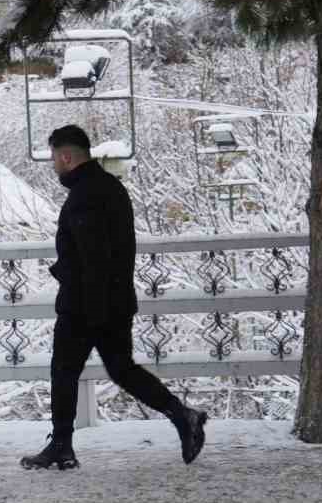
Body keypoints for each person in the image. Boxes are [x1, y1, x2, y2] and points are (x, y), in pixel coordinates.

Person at [21, 124, 207, 470]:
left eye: (54, 160)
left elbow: (91, 255)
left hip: (86, 305)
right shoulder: (111, 188)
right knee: (123, 369)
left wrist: (69, 281)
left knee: (63, 370)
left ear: (66, 156)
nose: (54, 167)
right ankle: (183, 416)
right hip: (115, 300)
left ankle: (61, 445)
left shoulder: (84, 196)